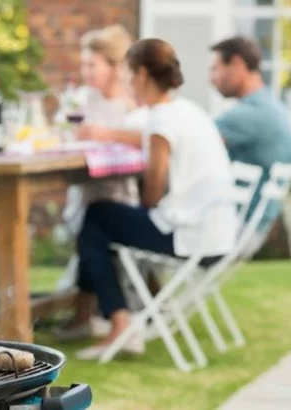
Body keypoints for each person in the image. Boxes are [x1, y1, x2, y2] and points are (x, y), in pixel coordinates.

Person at [74, 38, 238, 360]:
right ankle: (109, 318)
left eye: (130, 74)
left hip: (189, 237)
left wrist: (138, 212)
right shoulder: (188, 110)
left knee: (95, 218)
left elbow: (152, 189)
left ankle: (120, 323)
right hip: (217, 235)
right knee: (105, 220)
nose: (127, 81)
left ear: (144, 75)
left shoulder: (162, 122)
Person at [52, 25, 145, 342]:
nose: (86, 71)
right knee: (90, 228)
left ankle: (97, 316)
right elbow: (61, 130)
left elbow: (147, 140)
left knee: (93, 232)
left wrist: (103, 134)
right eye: (84, 64)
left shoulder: (132, 105)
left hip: (119, 194)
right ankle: (86, 316)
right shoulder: (81, 99)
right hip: (85, 189)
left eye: (93, 64)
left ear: (115, 66)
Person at [210, 36, 291, 233]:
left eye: (215, 68)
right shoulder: (271, 107)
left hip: (231, 227)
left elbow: (192, 141)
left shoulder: (251, 113)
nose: (211, 78)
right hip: (252, 224)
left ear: (237, 64)